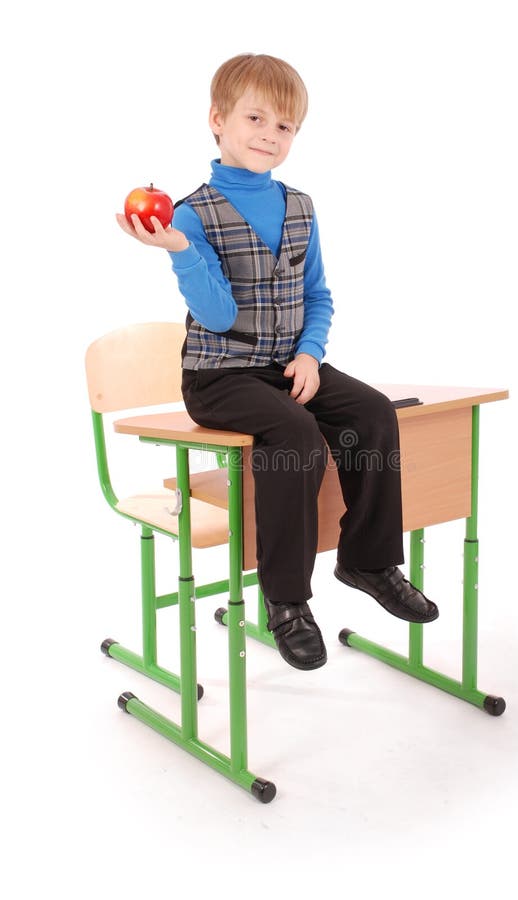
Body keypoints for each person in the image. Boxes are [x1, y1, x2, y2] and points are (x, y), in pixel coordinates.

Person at [116, 52, 438, 672]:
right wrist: (180, 249)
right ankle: (286, 598)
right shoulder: (190, 214)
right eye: (255, 118)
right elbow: (213, 316)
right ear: (217, 118)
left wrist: (312, 356)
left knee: (371, 413)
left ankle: (367, 560)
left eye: (284, 126)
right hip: (219, 375)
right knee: (293, 433)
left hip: (290, 366)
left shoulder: (301, 205)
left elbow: (318, 295)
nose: (269, 134)